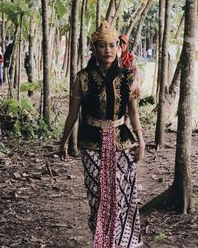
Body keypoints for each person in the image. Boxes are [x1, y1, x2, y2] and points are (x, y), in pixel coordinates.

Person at [59, 21, 145, 248]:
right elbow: (72, 115)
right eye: (102, 45)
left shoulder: (129, 78)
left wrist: (141, 141)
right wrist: (63, 142)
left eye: (112, 45)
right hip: (91, 142)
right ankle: (102, 241)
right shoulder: (82, 78)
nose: (107, 50)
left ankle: (122, 242)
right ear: (94, 48)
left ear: (119, 48)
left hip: (122, 143)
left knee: (123, 195)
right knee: (98, 196)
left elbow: (133, 113)